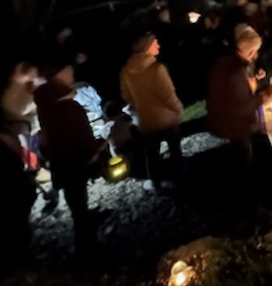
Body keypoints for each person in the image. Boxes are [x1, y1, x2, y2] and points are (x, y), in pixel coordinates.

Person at [35, 55, 108, 259]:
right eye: (68, 72)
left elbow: (46, 140)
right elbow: (82, 138)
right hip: (76, 164)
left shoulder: (46, 106)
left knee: (76, 203)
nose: (72, 75)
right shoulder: (67, 107)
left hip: (63, 165)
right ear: (58, 76)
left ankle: (85, 240)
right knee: (78, 207)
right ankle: (87, 251)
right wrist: (96, 152)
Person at [120, 32, 184, 191]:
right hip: (167, 119)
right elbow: (168, 95)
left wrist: (141, 107)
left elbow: (126, 96)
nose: (158, 45)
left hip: (146, 120)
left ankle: (155, 182)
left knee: (151, 153)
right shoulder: (157, 69)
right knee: (175, 149)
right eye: (155, 42)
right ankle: (180, 178)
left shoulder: (126, 71)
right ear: (147, 47)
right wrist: (178, 109)